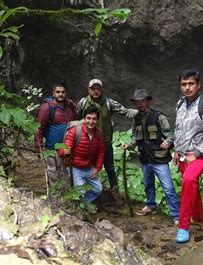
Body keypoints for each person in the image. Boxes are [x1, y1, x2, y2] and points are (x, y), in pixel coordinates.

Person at [174, 69, 203, 243]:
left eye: (191, 84)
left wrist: (197, 153)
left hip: (201, 154)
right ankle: (199, 220)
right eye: (184, 84)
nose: (187, 88)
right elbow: (179, 130)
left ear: (198, 85)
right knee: (192, 187)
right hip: (183, 155)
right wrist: (177, 151)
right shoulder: (180, 104)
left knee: (188, 180)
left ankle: (184, 226)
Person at [121, 88, 180, 224]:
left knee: (168, 188)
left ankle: (176, 216)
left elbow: (170, 134)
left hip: (159, 159)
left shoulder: (159, 117)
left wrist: (169, 141)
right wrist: (129, 145)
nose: (139, 104)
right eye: (137, 102)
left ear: (148, 101)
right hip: (145, 158)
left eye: (142, 101)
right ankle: (151, 206)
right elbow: (137, 137)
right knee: (148, 185)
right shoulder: (136, 118)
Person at [76, 78, 137, 206]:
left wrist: (140, 112)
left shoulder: (109, 103)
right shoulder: (83, 103)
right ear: (89, 90)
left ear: (101, 90)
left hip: (105, 141)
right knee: (88, 167)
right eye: (93, 89)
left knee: (109, 168)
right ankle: (89, 195)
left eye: (98, 88)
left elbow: (124, 111)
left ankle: (115, 192)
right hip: (89, 143)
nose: (96, 91)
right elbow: (75, 118)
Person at [58, 106, 105, 213]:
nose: (91, 121)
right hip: (75, 167)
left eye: (94, 119)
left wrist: (97, 168)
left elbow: (101, 152)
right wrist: (65, 150)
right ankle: (80, 210)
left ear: (97, 120)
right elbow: (62, 147)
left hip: (89, 167)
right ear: (84, 119)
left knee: (98, 189)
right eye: (88, 118)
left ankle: (84, 204)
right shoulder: (75, 131)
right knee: (81, 191)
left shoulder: (98, 133)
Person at [34, 82, 76, 183]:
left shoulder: (70, 105)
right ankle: (55, 195)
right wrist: (38, 147)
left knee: (66, 171)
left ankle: (66, 194)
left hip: (67, 146)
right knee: (53, 171)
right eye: (58, 92)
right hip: (52, 146)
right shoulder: (47, 108)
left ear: (66, 93)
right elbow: (39, 128)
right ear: (53, 93)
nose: (60, 94)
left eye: (63, 92)